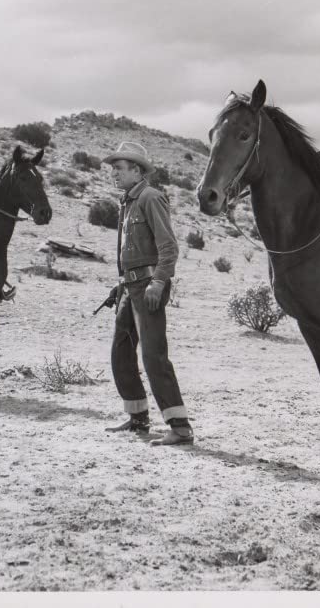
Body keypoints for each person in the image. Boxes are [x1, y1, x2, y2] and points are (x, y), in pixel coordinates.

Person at [102, 141, 194, 446]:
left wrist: (158, 282)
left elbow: (169, 247)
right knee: (121, 352)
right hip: (130, 288)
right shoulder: (127, 201)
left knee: (153, 356)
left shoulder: (151, 197)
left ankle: (180, 427)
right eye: (113, 168)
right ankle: (138, 418)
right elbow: (131, 252)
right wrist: (121, 283)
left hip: (149, 287)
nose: (113, 173)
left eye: (119, 168)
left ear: (137, 170)